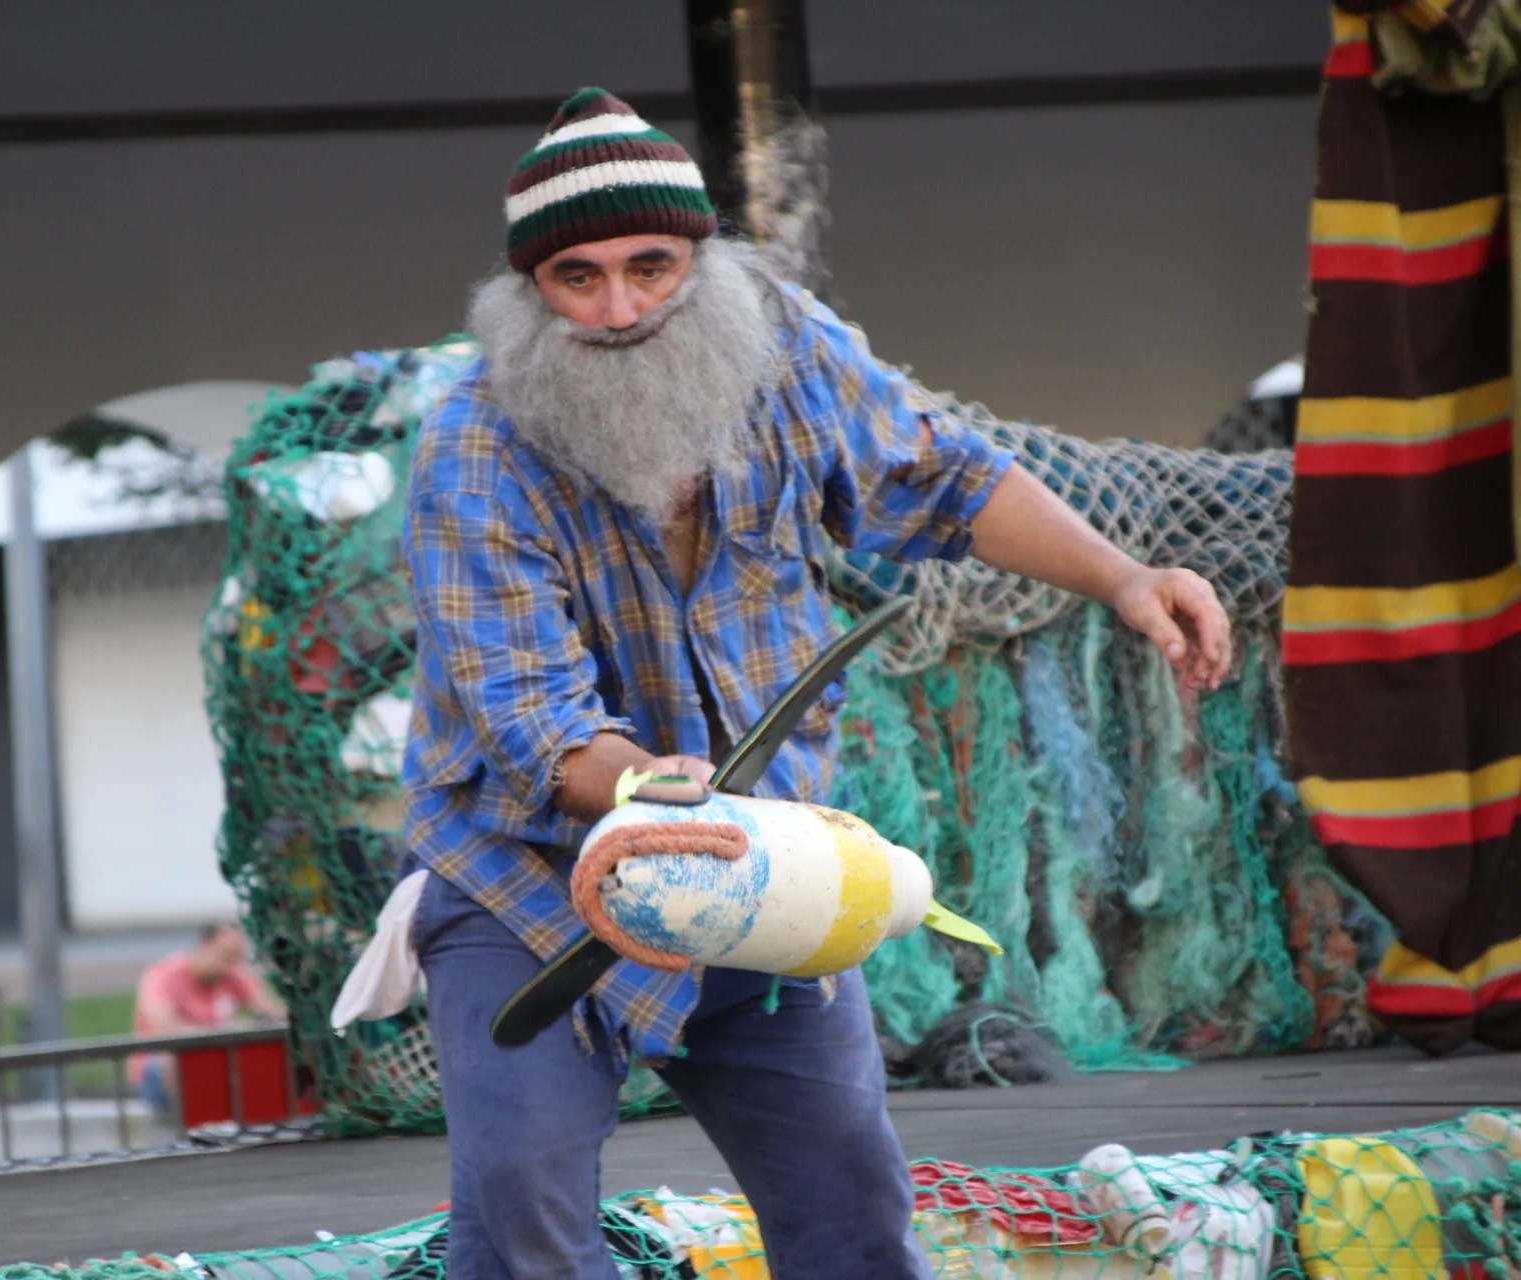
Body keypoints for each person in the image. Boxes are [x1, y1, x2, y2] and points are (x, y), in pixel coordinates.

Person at [399, 87, 1233, 1279]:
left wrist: (1125, 576)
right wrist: (654, 789)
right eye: (578, 278)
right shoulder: (471, 447)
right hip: (530, 885)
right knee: (522, 1207)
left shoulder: (787, 348)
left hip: (764, 866)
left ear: (702, 261)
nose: (620, 310)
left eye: (650, 267)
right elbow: (534, 720)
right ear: (529, 290)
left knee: (853, 1206)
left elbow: (945, 477)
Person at [129, 923, 283, 1110]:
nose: (231, 966)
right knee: (171, 1056)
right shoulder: (163, 974)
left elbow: (271, 1010)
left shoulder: (233, 974)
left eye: (237, 958)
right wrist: (225, 1031)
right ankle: (181, 1116)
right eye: (226, 955)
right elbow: (165, 1026)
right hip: (161, 1069)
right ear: (205, 945)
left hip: (215, 1064)